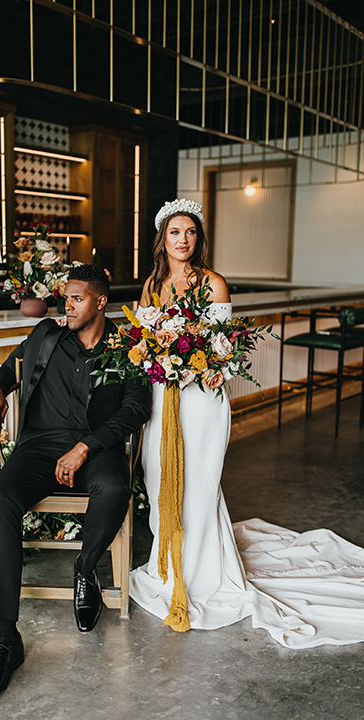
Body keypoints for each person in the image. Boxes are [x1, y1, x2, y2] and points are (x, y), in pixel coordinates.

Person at [129, 198, 364, 648]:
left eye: (191, 232)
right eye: (175, 232)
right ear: (163, 238)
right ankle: (167, 566)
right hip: (164, 395)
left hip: (202, 396)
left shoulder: (213, 284)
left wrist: (212, 366)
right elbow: (144, 341)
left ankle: (198, 575)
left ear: (199, 239)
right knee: (159, 474)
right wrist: (155, 356)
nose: (183, 240)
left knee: (197, 479)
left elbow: (225, 349)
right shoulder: (152, 284)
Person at [0, 265, 152, 705]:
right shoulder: (46, 335)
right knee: (2, 503)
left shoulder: (127, 348)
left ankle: (85, 569)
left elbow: (136, 407)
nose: (65, 305)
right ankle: (4, 640)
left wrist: (87, 447)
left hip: (96, 447)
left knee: (114, 488)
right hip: (39, 446)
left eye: (76, 298)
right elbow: (7, 372)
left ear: (100, 302)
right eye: (64, 298)